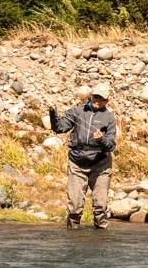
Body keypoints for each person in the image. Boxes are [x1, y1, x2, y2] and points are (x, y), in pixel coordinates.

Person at [49, 83, 117, 229]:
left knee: (100, 206)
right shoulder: (77, 111)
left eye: (101, 98)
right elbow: (59, 127)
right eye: (95, 96)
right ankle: (73, 237)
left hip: (100, 165)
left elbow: (111, 145)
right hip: (77, 162)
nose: (97, 100)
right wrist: (53, 114)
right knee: (74, 206)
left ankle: (102, 239)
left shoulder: (109, 118)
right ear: (91, 96)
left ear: (107, 101)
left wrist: (102, 140)